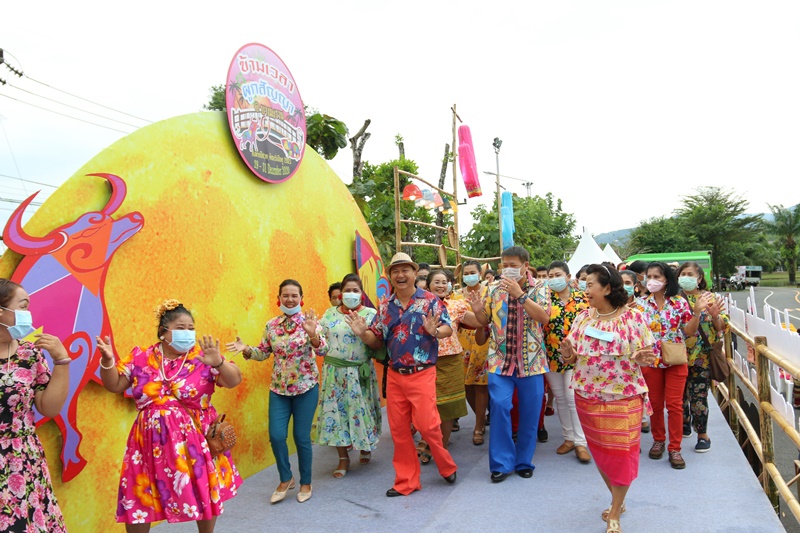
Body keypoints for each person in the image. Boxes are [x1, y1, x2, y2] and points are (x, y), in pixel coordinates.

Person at [100, 298, 243, 531]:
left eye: (190, 328)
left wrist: (218, 362)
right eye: (180, 328)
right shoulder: (141, 357)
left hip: (194, 441)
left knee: (202, 489)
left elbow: (234, 379)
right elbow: (114, 385)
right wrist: (107, 363)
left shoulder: (202, 356)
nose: (187, 333)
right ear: (163, 332)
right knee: (139, 495)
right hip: (147, 443)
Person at [346, 253, 458, 497]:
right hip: (396, 374)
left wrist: (435, 331)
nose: (400, 275)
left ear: (413, 273)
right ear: (391, 277)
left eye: (405, 270)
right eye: (395, 271)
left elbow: (448, 327)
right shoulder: (385, 306)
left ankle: (446, 465)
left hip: (423, 372)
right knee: (399, 430)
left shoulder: (429, 300)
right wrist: (362, 332)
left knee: (428, 427)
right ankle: (407, 481)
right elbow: (375, 341)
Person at [558, 265, 656, 533]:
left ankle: (615, 511)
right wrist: (567, 354)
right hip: (587, 395)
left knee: (622, 453)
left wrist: (638, 357)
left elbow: (648, 353)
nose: (585, 290)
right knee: (602, 454)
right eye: (584, 284)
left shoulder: (633, 319)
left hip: (623, 396)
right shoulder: (582, 319)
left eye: (590, 285)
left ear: (608, 288)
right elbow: (572, 356)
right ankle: (617, 500)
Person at [227, 280, 326, 504]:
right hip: (279, 390)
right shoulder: (272, 325)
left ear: (301, 298)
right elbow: (263, 352)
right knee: (276, 436)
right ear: (279, 298)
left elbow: (323, 350)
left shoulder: (310, 322)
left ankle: (306, 482)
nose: (289, 299)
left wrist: (313, 334)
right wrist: (247, 350)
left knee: (301, 438)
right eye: (285, 295)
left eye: (294, 295)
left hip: (306, 388)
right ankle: (286, 478)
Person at [0, 279, 70, 532]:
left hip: (23, 460)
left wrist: (61, 361)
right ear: (1, 312)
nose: (28, 314)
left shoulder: (30, 355)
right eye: (23, 306)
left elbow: (48, 408)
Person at [477, 246, 550, 483]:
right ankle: (500, 463)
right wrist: (478, 311)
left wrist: (520, 294)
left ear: (525, 266)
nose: (507, 269)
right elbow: (484, 320)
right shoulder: (492, 288)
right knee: (499, 407)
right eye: (504, 264)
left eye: (512, 264)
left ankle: (524, 461)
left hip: (532, 362)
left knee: (530, 413)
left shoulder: (541, 287)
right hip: (500, 361)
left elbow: (543, 317)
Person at [316, 274, 382, 477]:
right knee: (337, 415)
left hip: (359, 373)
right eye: (347, 290)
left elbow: (378, 345)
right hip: (333, 373)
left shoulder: (371, 314)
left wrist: (362, 332)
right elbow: (320, 344)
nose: (351, 294)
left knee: (362, 412)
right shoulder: (329, 314)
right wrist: (312, 335)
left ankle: (365, 444)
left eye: (355, 290)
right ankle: (343, 458)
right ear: (341, 293)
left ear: (361, 294)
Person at [416, 269, 484, 460]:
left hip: (451, 361)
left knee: (446, 408)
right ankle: (427, 440)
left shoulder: (456, 306)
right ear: (428, 285)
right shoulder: (417, 306)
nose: (440, 285)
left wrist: (480, 310)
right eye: (436, 282)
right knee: (425, 406)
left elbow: (480, 322)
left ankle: (440, 447)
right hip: (423, 362)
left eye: (444, 282)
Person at [640, 262, 702, 470]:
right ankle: (659, 440)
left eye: (657, 277)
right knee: (655, 404)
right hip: (651, 361)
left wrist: (697, 313)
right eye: (649, 277)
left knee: (675, 405)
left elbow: (690, 331)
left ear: (666, 279)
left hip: (674, 360)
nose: (652, 281)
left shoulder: (679, 303)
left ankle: (675, 448)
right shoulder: (641, 305)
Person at [676, 262, 729, 452]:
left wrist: (715, 316)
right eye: (683, 273)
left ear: (699, 278)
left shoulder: (710, 298)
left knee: (699, 397)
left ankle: (702, 434)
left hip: (702, 358)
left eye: (690, 274)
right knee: (679, 397)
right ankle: (685, 420)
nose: (685, 277)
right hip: (677, 357)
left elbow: (722, 326)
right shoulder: (673, 299)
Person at [543, 261, 592, 463]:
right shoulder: (544, 300)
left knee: (573, 398)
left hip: (577, 357)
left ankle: (581, 443)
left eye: (557, 274)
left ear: (568, 276)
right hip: (550, 355)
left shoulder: (583, 300)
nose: (554, 279)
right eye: (550, 276)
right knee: (561, 398)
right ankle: (568, 438)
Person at [452, 260, 491, 445]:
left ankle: (478, 427)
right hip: (461, 340)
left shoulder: (488, 292)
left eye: (472, 272)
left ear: (479, 274)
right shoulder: (456, 295)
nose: (469, 276)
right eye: (466, 273)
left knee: (480, 383)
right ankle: (482, 418)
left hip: (482, 339)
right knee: (466, 384)